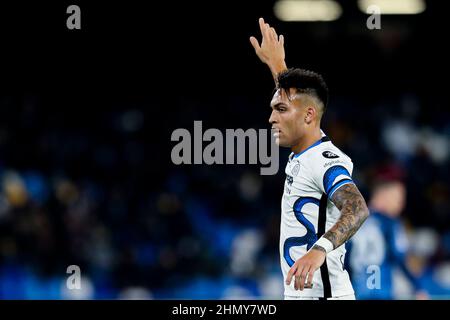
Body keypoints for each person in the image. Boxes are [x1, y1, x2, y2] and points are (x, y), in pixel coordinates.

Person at [250, 18, 369, 300]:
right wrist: (278, 67)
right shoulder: (306, 148)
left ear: (308, 117)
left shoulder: (325, 160)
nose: (271, 118)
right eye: (273, 108)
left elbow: (358, 208)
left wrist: (319, 249)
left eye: (279, 109)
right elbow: (300, 101)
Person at [346, 174, 429, 299]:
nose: (401, 205)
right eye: (398, 199)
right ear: (383, 196)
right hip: (380, 293)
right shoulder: (389, 222)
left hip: (355, 293)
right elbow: (401, 257)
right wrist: (418, 287)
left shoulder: (351, 222)